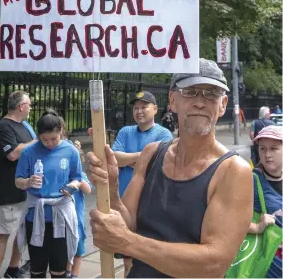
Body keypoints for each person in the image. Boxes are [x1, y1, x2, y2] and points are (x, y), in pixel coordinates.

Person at [88, 59, 253, 278]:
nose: (200, 102)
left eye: (211, 94)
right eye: (191, 91)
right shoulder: (151, 154)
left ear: (223, 104)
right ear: (173, 100)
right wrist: (110, 188)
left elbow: (212, 265)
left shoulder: (233, 171)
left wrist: (129, 243)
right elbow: (126, 225)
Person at [15, 110, 82, 279]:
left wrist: (71, 187)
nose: (49, 143)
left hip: (61, 215)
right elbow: (18, 181)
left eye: (54, 138)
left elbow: (77, 178)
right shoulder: (29, 152)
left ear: (61, 131)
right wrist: (28, 182)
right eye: (44, 140)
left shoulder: (70, 151)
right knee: (37, 269)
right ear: (38, 136)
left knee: (59, 270)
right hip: (35, 216)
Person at [111, 90, 172, 275]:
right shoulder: (125, 131)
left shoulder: (164, 134)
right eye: (136, 108)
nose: (139, 111)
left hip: (149, 205)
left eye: (144, 107)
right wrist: (144, 157)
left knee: (145, 256)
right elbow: (115, 158)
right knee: (126, 256)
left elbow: (158, 163)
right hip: (123, 204)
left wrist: (128, 160)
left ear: (155, 109)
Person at [0, 91, 37, 279]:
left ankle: (13, 268)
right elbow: (12, 154)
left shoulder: (24, 127)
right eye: (29, 104)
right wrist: (36, 142)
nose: (30, 108)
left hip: (26, 188)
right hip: (9, 189)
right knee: (4, 232)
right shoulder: (3, 126)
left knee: (22, 231)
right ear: (21, 106)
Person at [248, 125, 282, 278]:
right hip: (268, 266)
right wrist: (256, 227)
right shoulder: (251, 180)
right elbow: (225, 220)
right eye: (263, 149)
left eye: (274, 149)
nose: (267, 154)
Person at [66, 141, 92, 279]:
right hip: (63, 220)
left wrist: (78, 180)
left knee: (79, 249)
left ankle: (74, 275)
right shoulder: (61, 175)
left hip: (77, 220)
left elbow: (88, 190)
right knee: (65, 249)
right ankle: (67, 271)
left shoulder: (81, 175)